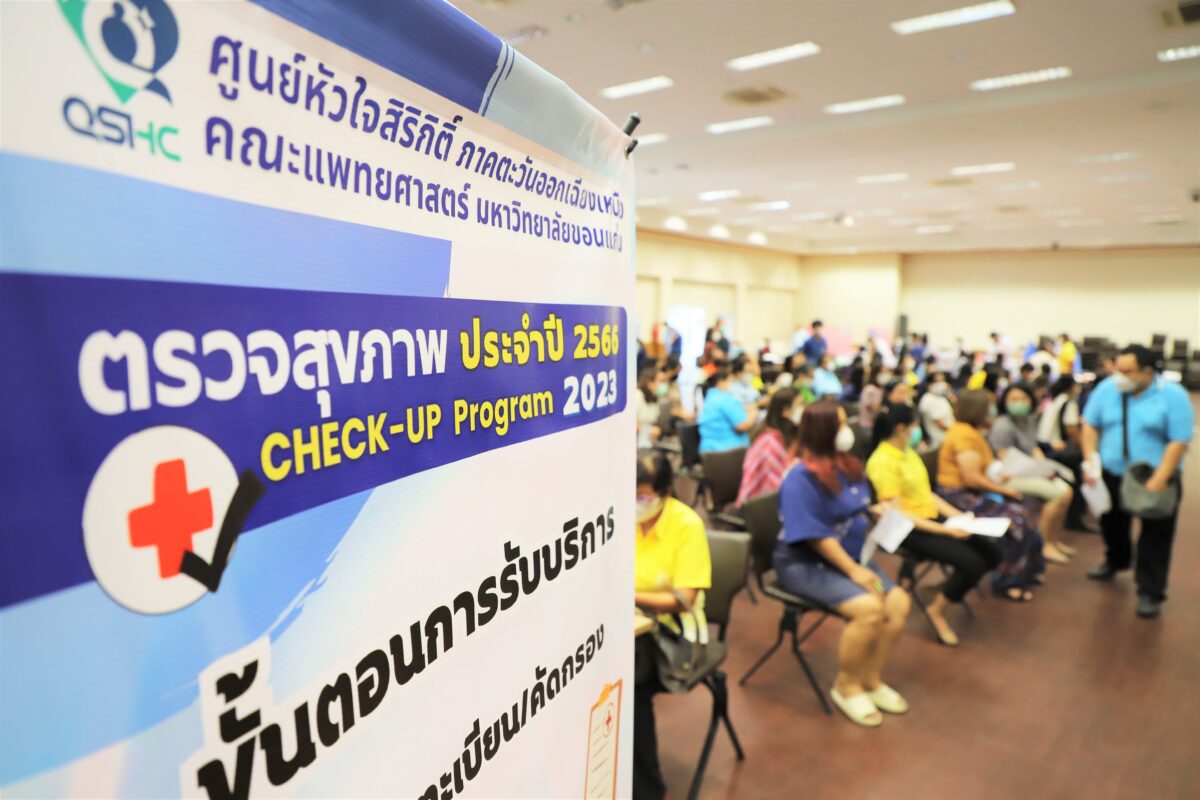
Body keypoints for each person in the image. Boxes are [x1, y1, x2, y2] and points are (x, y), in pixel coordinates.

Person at [776, 400, 911, 727]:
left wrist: (874, 512)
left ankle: (871, 680)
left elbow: (853, 505)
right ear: (822, 431)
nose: (847, 429)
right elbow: (815, 537)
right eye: (839, 424)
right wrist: (854, 572)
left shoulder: (847, 466)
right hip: (805, 565)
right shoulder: (799, 478)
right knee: (869, 610)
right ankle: (847, 686)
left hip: (850, 557)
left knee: (897, 602)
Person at [866, 404, 1001, 646]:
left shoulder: (907, 452)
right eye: (914, 425)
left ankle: (944, 589)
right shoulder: (882, 461)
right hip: (907, 530)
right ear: (901, 428)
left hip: (928, 517)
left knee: (992, 552)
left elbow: (927, 494)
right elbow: (898, 514)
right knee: (971, 563)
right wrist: (945, 530)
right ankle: (936, 611)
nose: (917, 430)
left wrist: (960, 517)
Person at [1082, 344, 1193, 618]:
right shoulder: (1107, 390)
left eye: (1127, 371)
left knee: (1156, 534)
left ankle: (1150, 591)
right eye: (1117, 370)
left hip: (1153, 474)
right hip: (1112, 472)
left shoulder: (1172, 395)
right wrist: (1090, 460)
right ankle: (1116, 560)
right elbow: (1090, 424)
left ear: (1146, 371)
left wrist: (1161, 477)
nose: (1120, 376)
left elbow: (1179, 440)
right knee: (1112, 523)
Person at [633, 451, 712, 800]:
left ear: (664, 492)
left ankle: (649, 790)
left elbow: (684, 599)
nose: (634, 502)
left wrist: (627, 595)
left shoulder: (686, 525)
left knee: (629, 688)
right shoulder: (619, 516)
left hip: (673, 632)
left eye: (642, 495)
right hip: (634, 621)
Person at [937, 390, 1045, 601]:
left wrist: (998, 478)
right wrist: (1003, 490)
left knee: (1027, 509)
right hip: (958, 496)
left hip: (972, 492)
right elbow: (971, 478)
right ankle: (1007, 580)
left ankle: (1028, 569)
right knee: (1017, 518)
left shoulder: (971, 432)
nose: (992, 412)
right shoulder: (964, 435)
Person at [990, 382, 1076, 564]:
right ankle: (1044, 546)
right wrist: (1038, 472)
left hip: (1030, 471)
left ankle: (1053, 540)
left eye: (1023, 398)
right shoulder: (1002, 425)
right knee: (1058, 494)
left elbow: (1034, 448)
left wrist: (1044, 467)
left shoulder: (1029, 420)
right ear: (1005, 401)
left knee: (1067, 491)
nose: (1019, 403)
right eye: (1013, 399)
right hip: (1010, 476)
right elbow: (1006, 461)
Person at [737, 388, 800, 505]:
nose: (804, 408)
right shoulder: (769, 444)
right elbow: (775, 488)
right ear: (786, 411)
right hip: (762, 506)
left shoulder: (790, 435)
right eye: (800, 405)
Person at [697, 367, 753, 452]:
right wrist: (752, 415)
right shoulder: (725, 399)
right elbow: (742, 426)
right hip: (727, 451)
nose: (733, 384)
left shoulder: (712, 397)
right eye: (731, 381)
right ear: (721, 382)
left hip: (711, 449)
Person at [918, 371, 955, 449]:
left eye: (943, 381)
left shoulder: (940, 397)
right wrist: (957, 430)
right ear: (929, 385)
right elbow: (940, 423)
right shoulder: (928, 400)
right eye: (938, 382)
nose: (942, 384)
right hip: (939, 441)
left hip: (949, 436)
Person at [636, 368, 665, 449]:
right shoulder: (638, 395)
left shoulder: (654, 398)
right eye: (659, 381)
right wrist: (649, 430)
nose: (660, 384)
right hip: (637, 438)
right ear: (649, 382)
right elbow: (631, 422)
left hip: (649, 438)